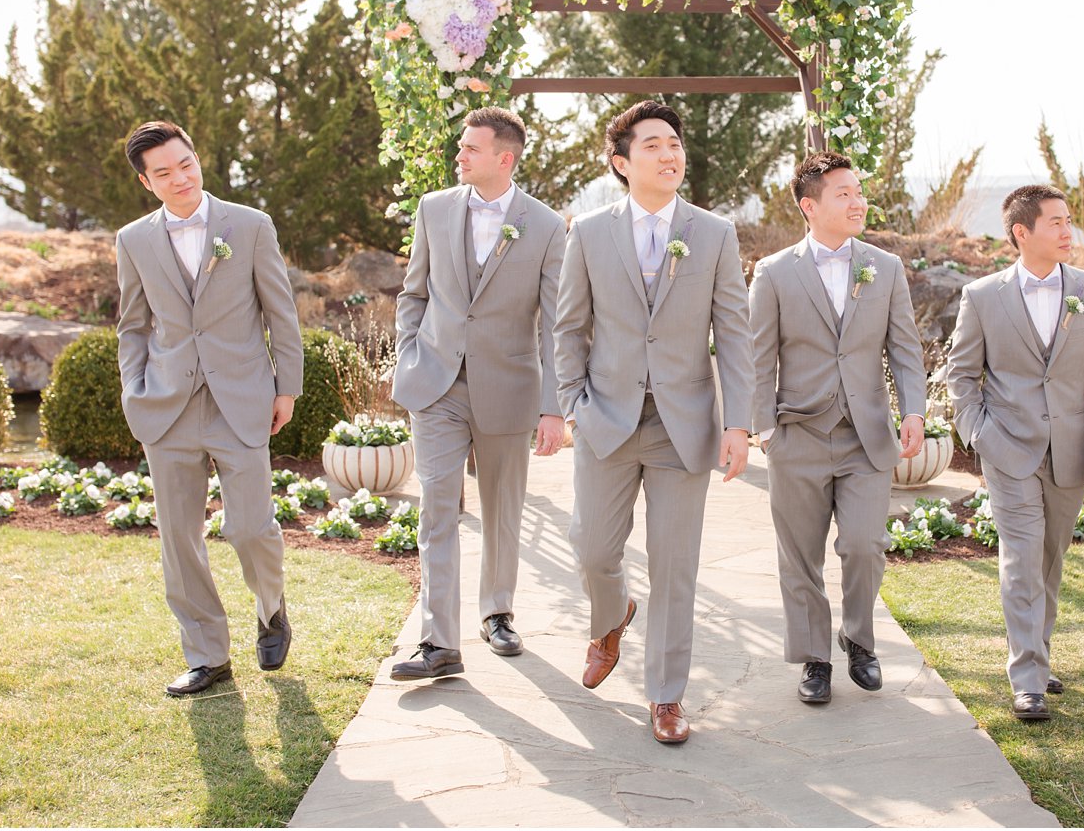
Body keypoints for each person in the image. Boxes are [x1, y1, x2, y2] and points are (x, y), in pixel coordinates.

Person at [554, 100, 754, 744]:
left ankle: (666, 696)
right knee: (591, 549)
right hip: (605, 418)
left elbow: (735, 333)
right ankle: (610, 617)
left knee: (675, 565)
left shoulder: (714, 233)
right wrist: (574, 403)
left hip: (683, 424)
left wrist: (738, 422)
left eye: (675, 142)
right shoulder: (586, 232)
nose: (670, 154)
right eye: (653, 145)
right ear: (621, 162)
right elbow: (568, 328)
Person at [114, 120, 302, 696]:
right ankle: (207, 654)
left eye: (186, 164)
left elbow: (280, 313)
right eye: (165, 173)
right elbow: (132, 326)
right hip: (166, 408)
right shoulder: (133, 240)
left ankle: (272, 610)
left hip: (241, 402)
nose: (181, 179)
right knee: (179, 539)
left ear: (198, 158)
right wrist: (134, 391)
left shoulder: (248, 226)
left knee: (250, 528)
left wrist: (285, 388)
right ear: (148, 183)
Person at [389, 107, 566, 682]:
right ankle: (438, 641)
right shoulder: (434, 210)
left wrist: (552, 406)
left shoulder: (544, 225)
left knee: (502, 510)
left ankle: (497, 612)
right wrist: (409, 354)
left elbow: (556, 324)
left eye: (470, 148)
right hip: (436, 383)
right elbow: (413, 294)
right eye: (461, 147)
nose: (459, 156)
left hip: (508, 388)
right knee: (437, 508)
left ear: (504, 158)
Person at [749, 152, 926, 705]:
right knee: (799, 555)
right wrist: (764, 429)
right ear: (810, 206)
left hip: (866, 435)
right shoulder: (774, 272)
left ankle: (858, 638)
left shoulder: (886, 267)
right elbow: (759, 358)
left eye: (858, 191)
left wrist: (914, 411)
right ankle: (814, 659)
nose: (858, 201)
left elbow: (904, 347)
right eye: (844, 193)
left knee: (865, 544)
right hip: (796, 434)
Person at [944, 184, 1084, 721]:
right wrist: (978, 434)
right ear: (1022, 233)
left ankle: (1037, 660)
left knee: (1049, 559)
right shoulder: (982, 296)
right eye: (1056, 223)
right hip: (1008, 447)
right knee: (1022, 560)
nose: (1069, 232)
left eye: (1070, 222)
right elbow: (960, 374)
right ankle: (1027, 679)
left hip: (1071, 448)